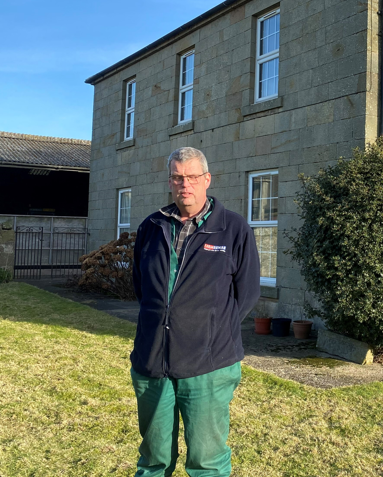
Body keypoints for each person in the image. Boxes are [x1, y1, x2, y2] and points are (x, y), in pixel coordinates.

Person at [130, 146, 260, 477]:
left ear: (207, 180)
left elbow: (246, 294)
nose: (184, 184)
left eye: (192, 177)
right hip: (152, 361)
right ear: (170, 182)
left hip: (208, 365)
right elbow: (143, 289)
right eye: (177, 177)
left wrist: (209, 332)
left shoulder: (233, 229)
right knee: (153, 461)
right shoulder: (151, 227)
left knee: (206, 463)